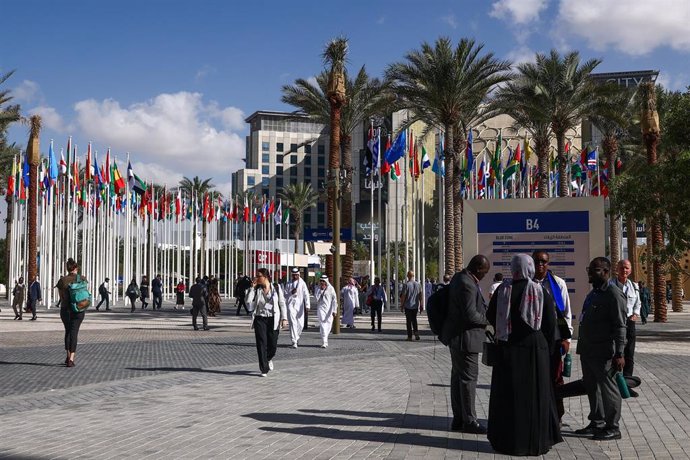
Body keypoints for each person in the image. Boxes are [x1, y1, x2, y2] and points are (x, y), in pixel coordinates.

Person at [487, 254, 562, 455]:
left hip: (507, 349)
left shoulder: (503, 290)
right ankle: (534, 443)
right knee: (534, 397)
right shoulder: (539, 291)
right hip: (535, 351)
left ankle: (506, 442)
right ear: (529, 267)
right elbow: (549, 324)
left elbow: (490, 315)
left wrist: (504, 328)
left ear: (513, 268)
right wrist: (547, 348)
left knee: (508, 397)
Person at [575, 257, 627, 441]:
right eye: (590, 268)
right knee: (592, 388)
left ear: (606, 272)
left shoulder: (613, 293)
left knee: (609, 390)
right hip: (588, 350)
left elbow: (620, 326)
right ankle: (597, 422)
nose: (590, 272)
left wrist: (620, 353)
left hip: (605, 352)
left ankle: (613, 427)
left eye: (595, 269)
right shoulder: (593, 294)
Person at [441, 255, 490, 434]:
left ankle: (459, 418)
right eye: (485, 271)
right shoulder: (467, 283)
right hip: (465, 339)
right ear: (478, 268)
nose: (485, 275)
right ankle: (469, 421)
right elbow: (470, 314)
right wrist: (488, 320)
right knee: (468, 380)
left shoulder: (459, 278)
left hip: (459, 338)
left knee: (458, 379)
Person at [532, 250, 573, 425]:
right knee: (534, 378)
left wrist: (567, 339)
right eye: (537, 261)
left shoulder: (558, 283)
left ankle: (557, 415)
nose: (540, 265)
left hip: (554, 340)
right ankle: (537, 413)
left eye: (544, 262)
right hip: (533, 340)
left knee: (556, 378)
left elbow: (566, 313)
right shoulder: (526, 283)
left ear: (548, 264)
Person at [246, 268, 288, 376]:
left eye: (259, 276)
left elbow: (282, 304)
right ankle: (264, 369)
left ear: (265, 277)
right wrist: (251, 288)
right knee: (261, 343)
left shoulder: (276, 288)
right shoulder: (256, 290)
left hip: (273, 319)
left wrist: (284, 318)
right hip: (260, 318)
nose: (256, 278)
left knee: (272, 345)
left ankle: (268, 359)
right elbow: (248, 303)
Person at [610, 259, 640, 397]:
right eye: (622, 268)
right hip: (615, 323)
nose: (624, 270)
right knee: (615, 352)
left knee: (629, 353)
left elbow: (637, 303)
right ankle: (613, 383)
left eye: (627, 268)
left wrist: (635, 314)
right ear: (617, 269)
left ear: (631, 270)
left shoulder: (634, 286)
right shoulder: (610, 285)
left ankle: (627, 384)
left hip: (629, 322)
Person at [55, 258, 88, 368]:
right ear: (76, 268)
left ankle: (68, 356)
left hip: (66, 309)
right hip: (79, 309)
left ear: (67, 268)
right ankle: (71, 359)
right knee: (74, 332)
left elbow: (61, 296)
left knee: (68, 331)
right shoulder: (82, 279)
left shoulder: (62, 280)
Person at [285, 267, 310, 348]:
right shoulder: (288, 283)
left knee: (300, 324)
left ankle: (296, 336)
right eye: (293, 275)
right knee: (292, 322)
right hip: (290, 304)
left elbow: (306, 295)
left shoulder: (302, 283)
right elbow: (284, 295)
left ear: (298, 274)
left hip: (299, 305)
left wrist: (307, 305)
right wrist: (290, 293)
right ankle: (294, 341)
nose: (295, 276)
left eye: (296, 275)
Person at [315, 275, 337, 348]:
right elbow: (316, 298)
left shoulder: (331, 289)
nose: (322, 282)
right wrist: (321, 290)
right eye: (321, 281)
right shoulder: (318, 288)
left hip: (329, 310)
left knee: (328, 325)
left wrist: (334, 310)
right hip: (321, 308)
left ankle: (325, 338)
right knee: (323, 324)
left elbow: (334, 300)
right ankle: (325, 341)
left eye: (323, 281)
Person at [400, 271, 422, 341]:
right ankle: (416, 333)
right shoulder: (418, 284)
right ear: (413, 275)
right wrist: (421, 304)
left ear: (408, 276)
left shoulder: (406, 285)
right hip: (415, 305)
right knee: (414, 320)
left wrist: (402, 305)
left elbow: (403, 296)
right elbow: (420, 295)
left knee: (408, 321)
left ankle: (410, 336)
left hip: (408, 306)